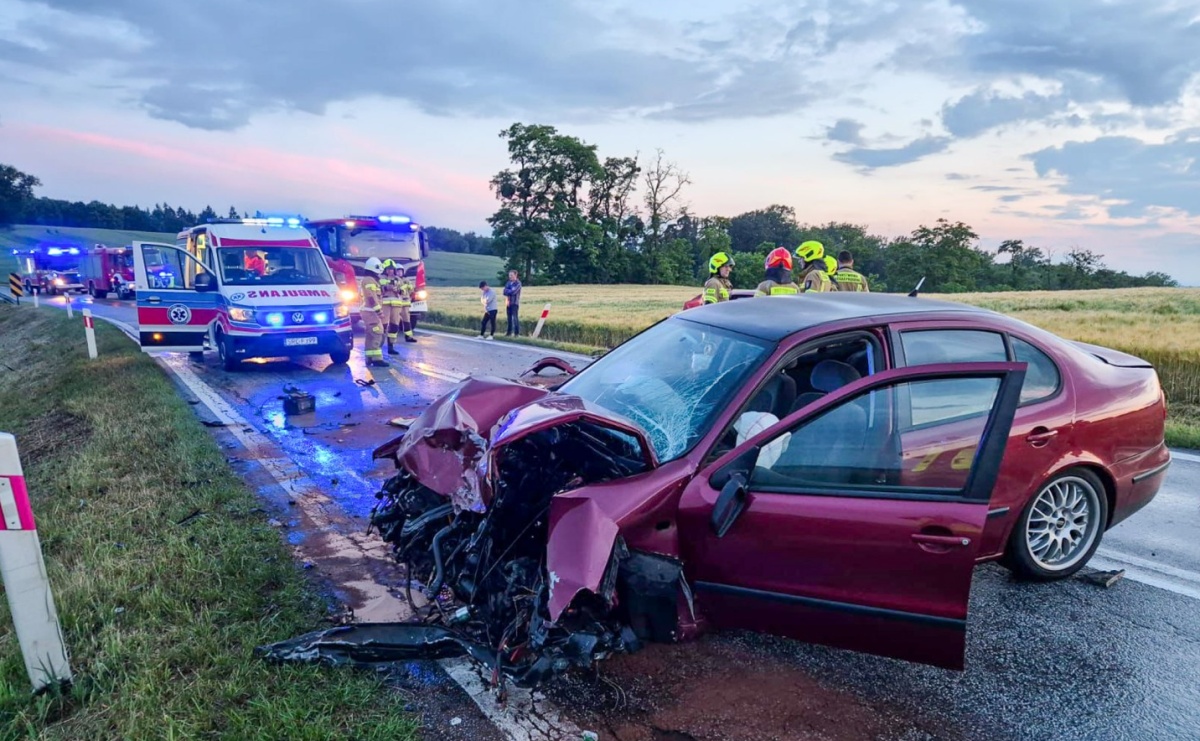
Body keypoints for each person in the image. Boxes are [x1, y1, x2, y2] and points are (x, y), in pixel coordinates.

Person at [360, 257, 388, 367]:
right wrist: (379, 311)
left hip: (369, 311)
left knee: (370, 335)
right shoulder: (369, 280)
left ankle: (370, 357)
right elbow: (371, 297)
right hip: (370, 312)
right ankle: (377, 359)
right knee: (377, 332)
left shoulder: (370, 280)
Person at [503, 270, 522, 336]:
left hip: (514, 303)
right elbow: (504, 292)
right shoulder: (508, 283)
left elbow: (514, 292)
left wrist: (508, 290)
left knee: (515, 318)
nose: (510, 277)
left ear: (515, 275)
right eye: (509, 275)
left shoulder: (518, 283)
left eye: (511, 275)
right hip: (508, 303)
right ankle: (509, 332)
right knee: (509, 318)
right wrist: (510, 290)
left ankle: (516, 333)